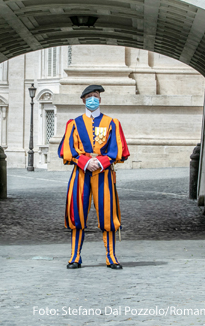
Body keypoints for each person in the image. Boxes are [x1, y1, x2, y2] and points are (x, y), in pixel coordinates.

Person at [58, 85, 129, 270]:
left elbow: (117, 149)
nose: (92, 99)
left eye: (95, 96)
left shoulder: (112, 122)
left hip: (104, 174)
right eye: (89, 96)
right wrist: (84, 161)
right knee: (77, 213)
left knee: (108, 214)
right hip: (81, 173)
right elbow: (68, 149)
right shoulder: (74, 123)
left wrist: (101, 162)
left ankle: (111, 256)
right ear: (83, 100)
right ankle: (75, 256)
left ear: (100, 99)